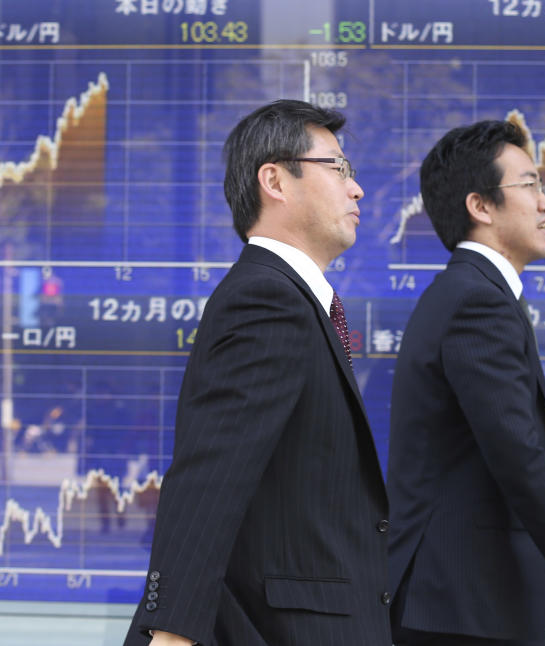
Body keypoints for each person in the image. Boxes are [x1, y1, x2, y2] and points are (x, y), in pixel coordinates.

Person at [124, 100, 392, 645]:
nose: (356, 188)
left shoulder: (297, 301)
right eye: (338, 168)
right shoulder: (265, 298)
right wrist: (172, 631)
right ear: (275, 179)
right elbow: (210, 472)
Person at [386, 120, 545, 646]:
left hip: (470, 604)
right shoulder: (475, 301)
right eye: (530, 186)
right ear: (480, 206)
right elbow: (515, 452)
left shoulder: (475, 294)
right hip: (460, 607)